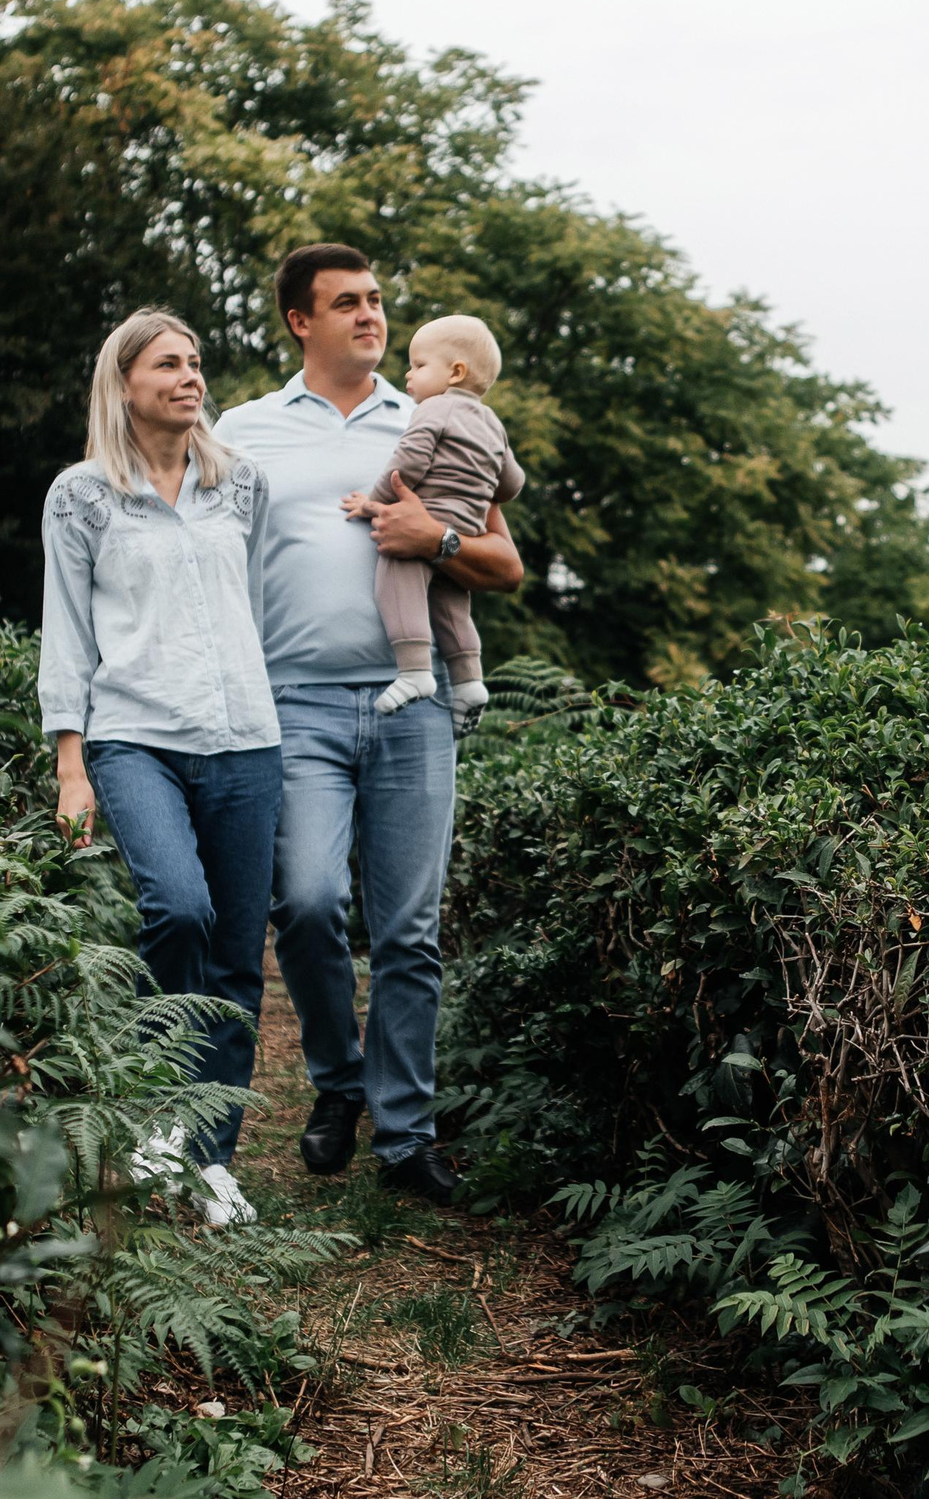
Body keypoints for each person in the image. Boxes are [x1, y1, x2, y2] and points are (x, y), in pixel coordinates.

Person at [212, 244, 525, 1206]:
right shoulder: (243, 428)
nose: (371, 316)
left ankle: (404, 1135)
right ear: (301, 321)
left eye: (378, 299)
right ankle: (338, 1082)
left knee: (409, 932)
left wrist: (428, 535)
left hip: (414, 704)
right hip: (291, 703)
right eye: (347, 303)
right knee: (304, 905)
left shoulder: (434, 415)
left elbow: (502, 563)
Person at [39, 308, 277, 1227]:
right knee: (178, 908)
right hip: (134, 735)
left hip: (246, 740)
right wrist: (71, 760)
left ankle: (211, 1159)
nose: (190, 376)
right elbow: (67, 626)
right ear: (124, 382)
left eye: (196, 362)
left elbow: (247, 610)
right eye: (169, 364)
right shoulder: (81, 496)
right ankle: (157, 1116)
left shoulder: (239, 485)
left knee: (237, 959)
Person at [353, 314, 524, 727]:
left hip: (429, 518)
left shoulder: (434, 409)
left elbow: (407, 463)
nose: (408, 375)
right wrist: (482, 487)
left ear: (455, 372)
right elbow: (512, 483)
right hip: (468, 526)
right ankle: (469, 682)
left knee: (396, 574)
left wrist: (372, 502)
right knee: (451, 606)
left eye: (418, 365)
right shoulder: (493, 423)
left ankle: (414, 672)